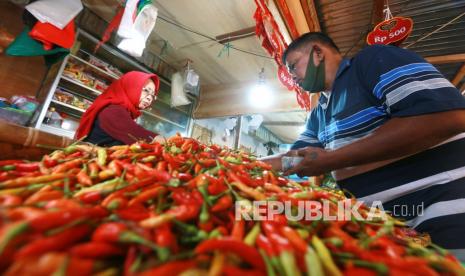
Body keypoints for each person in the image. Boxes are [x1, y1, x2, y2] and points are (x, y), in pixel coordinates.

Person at [266, 32, 465, 260]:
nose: (293, 78)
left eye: (294, 66)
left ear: (318, 53)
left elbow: (446, 116)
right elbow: (295, 159)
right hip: (389, 228)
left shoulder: (372, 61)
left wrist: (333, 160)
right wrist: (239, 163)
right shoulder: (319, 112)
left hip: (442, 207)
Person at [75, 71, 163, 146]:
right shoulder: (112, 110)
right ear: (131, 87)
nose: (149, 98)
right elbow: (135, 133)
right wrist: (165, 142)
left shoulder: (125, 111)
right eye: (146, 90)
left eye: (152, 95)